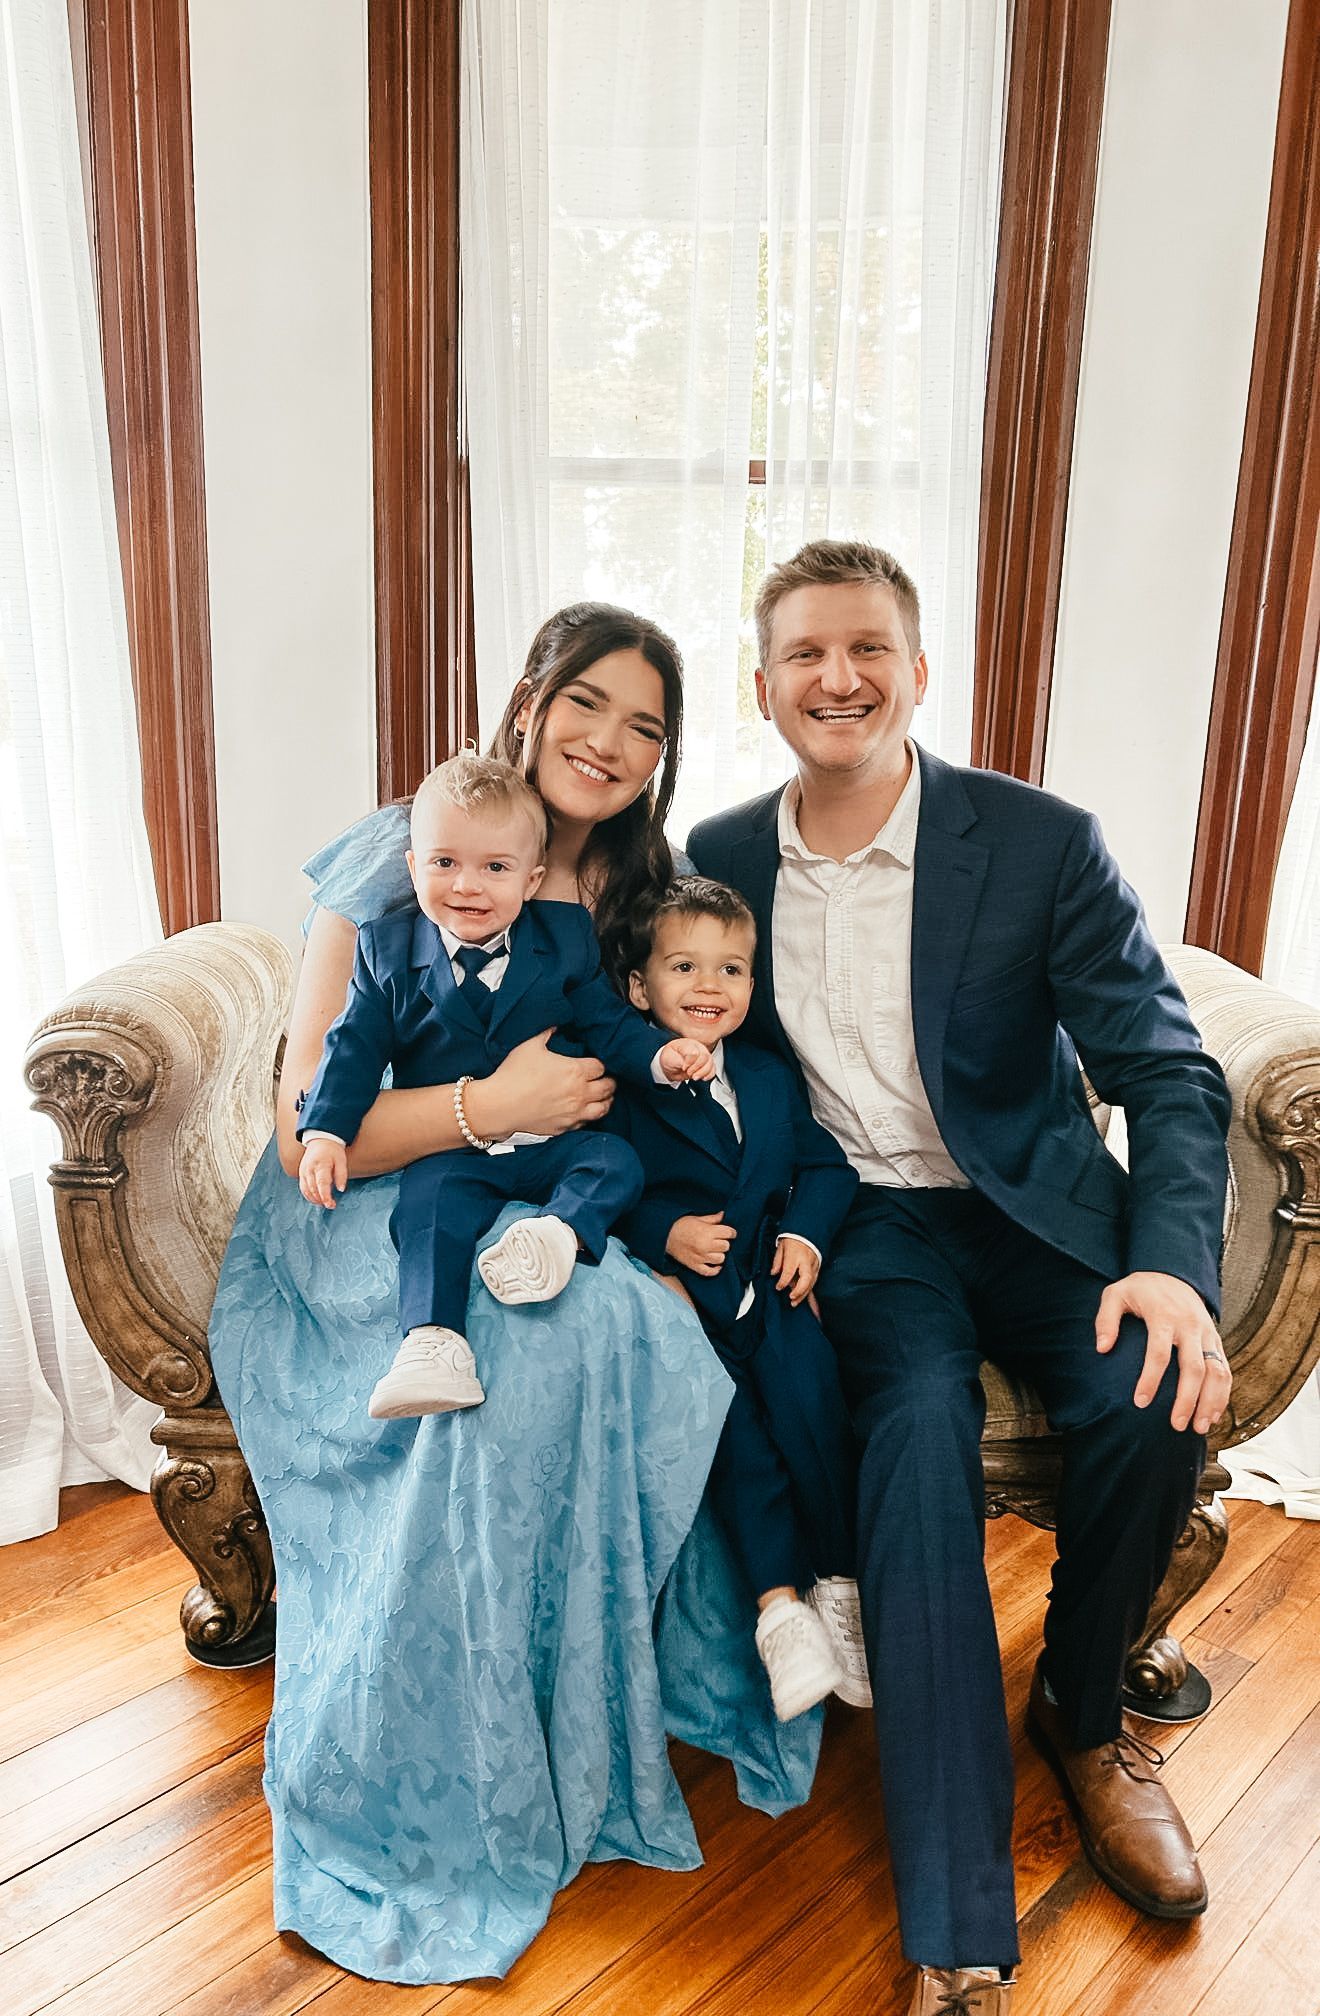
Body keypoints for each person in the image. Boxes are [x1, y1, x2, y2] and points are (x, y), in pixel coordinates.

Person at [209, 605, 820, 1988]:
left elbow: (659, 1062)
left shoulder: (640, 890)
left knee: (606, 1318)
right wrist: (489, 1107)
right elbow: (314, 1113)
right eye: (588, 703)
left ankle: (578, 1716)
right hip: (367, 1210)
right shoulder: (413, 847)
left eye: (647, 726)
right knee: (524, 1342)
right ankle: (452, 1745)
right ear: (532, 698)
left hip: (554, 1195)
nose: (610, 741)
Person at [687, 539, 1234, 2016]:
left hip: (1039, 1208)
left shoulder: (1041, 841)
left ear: (920, 674)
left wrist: (1173, 1268)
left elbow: (1168, 1073)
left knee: (1150, 1386)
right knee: (916, 1438)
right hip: (859, 1229)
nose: (838, 676)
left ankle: (1081, 1705)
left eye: (868, 647)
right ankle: (958, 1924)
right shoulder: (722, 861)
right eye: (805, 653)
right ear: (765, 687)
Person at [296, 752, 711, 1420]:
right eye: (444, 863)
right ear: (413, 866)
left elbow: (610, 1025)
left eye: (495, 868)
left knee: (615, 1163)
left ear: (532, 878)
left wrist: (664, 1059)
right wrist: (324, 1131)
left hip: (552, 1144)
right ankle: (433, 1341)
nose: (468, 885)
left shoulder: (568, 939)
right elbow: (352, 1047)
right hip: (455, 1152)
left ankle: (555, 1237)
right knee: (427, 1209)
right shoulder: (386, 950)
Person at [602, 875, 866, 1721]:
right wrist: (663, 1231)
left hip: (774, 1296)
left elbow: (825, 1167)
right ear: (641, 988)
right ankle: (778, 1611)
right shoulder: (625, 1087)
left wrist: (807, 1237)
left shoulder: (766, 1076)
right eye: (684, 967)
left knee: (816, 1418)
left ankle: (841, 1589)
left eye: (732, 970)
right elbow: (597, 1184)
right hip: (695, 1315)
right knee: (741, 1446)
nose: (710, 988)